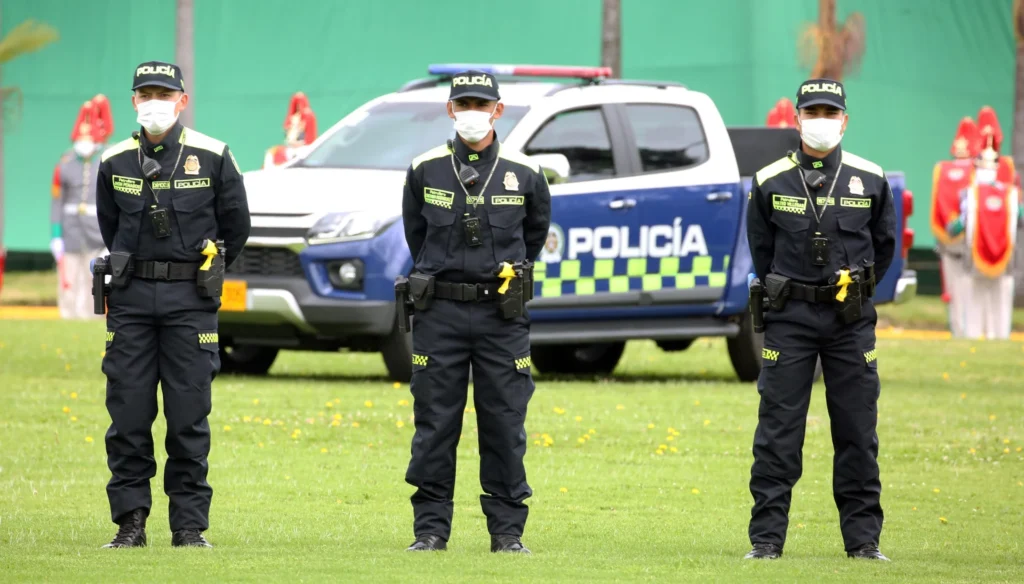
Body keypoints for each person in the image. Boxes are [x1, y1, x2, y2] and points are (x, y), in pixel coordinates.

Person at [94, 61, 250, 549]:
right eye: (146, 94)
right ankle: (130, 524)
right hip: (132, 299)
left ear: (182, 100)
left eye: (165, 93)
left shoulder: (213, 155)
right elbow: (108, 224)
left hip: (190, 299)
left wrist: (203, 269)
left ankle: (188, 528)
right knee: (129, 415)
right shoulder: (114, 160)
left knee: (188, 416)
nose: (155, 102)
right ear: (134, 101)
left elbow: (236, 225)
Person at [399, 69, 551, 553]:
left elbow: (533, 236)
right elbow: (415, 235)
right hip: (439, 313)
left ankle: (507, 534)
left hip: (501, 318)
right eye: (462, 104)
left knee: (505, 424)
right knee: (434, 424)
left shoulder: (525, 172)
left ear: (498, 110)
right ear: (449, 110)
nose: (471, 113)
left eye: (480, 105)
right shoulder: (425, 168)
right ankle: (430, 532)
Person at [744, 78, 896, 561]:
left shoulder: (870, 179)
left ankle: (863, 544)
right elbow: (761, 250)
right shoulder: (770, 180)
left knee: (856, 429)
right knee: (777, 432)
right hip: (790, 318)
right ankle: (766, 541)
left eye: (831, 113)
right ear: (797, 119)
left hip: (850, 321)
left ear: (845, 121)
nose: (822, 121)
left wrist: (853, 293)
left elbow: (885, 247)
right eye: (813, 112)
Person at [948, 145, 1022, 340]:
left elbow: (955, 227)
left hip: (980, 258)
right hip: (997, 259)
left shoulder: (971, 194)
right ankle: (995, 336)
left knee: (983, 300)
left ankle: (988, 336)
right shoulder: (1009, 194)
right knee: (992, 301)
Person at [51, 96, 113, 318]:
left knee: (93, 277)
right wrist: (55, 234)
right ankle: (67, 316)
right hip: (71, 231)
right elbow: (57, 201)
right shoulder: (65, 162)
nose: (84, 141)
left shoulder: (106, 159)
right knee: (69, 277)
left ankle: (91, 316)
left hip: (96, 229)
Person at [930, 117, 981, 336]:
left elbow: (939, 204)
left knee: (955, 288)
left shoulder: (942, 170)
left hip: (947, 237)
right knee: (973, 288)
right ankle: (972, 330)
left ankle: (958, 329)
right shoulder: (977, 170)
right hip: (973, 238)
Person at [263, 91, 318, 168]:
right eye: (296, 103)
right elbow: (288, 135)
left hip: (303, 148)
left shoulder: (308, 116)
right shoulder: (292, 118)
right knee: (272, 153)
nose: (299, 106)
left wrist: (298, 142)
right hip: (290, 148)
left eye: (300, 103)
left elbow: (310, 140)